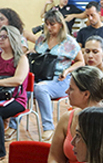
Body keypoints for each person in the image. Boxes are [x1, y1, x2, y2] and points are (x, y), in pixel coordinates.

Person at [32, 10, 84, 139]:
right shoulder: (41, 39)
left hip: (60, 79)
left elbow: (81, 62)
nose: (49, 28)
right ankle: (13, 125)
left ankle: (48, 127)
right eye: (47, 24)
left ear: (60, 24)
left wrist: (67, 71)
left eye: (52, 25)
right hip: (40, 76)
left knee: (40, 89)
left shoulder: (69, 41)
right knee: (21, 88)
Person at [0, 26, 29, 158]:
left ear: (13, 39)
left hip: (16, 99)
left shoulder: (21, 59)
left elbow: (18, 80)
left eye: (4, 37)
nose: (0, 40)